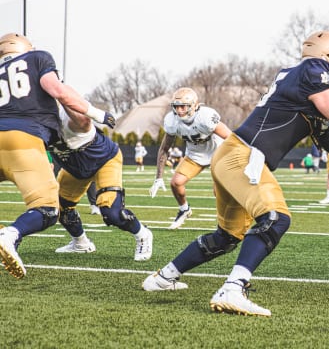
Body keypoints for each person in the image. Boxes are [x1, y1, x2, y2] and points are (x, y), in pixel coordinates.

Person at [142, 30, 329, 316]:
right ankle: (232, 288)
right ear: (328, 53)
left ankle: (163, 277)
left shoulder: (305, 83)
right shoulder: (313, 68)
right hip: (243, 156)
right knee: (275, 218)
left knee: (227, 236)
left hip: (234, 155)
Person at [0, 33, 115, 279]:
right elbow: (58, 91)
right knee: (48, 209)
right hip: (23, 138)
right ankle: (9, 235)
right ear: (26, 48)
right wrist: (97, 113)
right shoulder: (37, 58)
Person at [50, 106, 153, 261]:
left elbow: (82, 116)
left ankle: (143, 234)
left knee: (112, 212)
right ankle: (81, 243)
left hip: (104, 160)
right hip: (75, 167)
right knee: (58, 207)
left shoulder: (67, 115)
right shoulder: (31, 119)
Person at [149, 87, 232, 229]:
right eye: (176, 106)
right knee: (176, 183)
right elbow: (164, 149)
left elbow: (230, 137)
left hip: (218, 153)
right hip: (195, 155)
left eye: (184, 106)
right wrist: (158, 177)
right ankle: (184, 210)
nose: (180, 110)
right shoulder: (172, 120)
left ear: (194, 105)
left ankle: (225, 221)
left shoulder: (205, 117)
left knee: (217, 190)